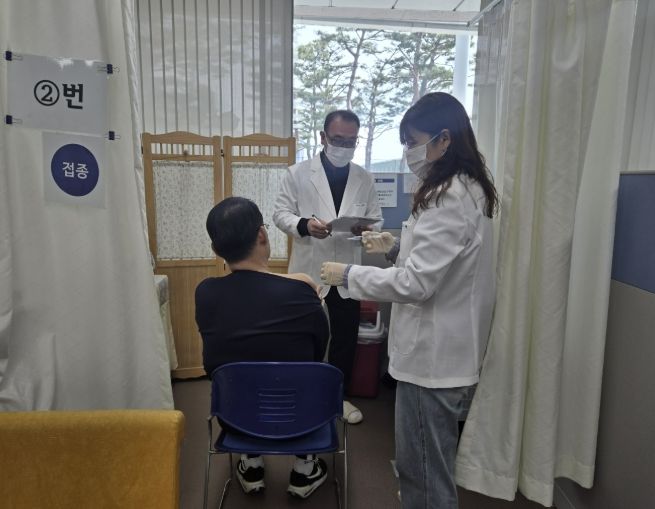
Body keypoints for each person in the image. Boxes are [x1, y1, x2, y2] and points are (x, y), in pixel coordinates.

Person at [320, 92, 498, 509]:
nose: (408, 152)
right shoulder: (465, 187)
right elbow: (441, 262)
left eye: (413, 142)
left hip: (432, 358)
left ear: (444, 139)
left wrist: (348, 275)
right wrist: (395, 248)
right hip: (444, 351)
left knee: (423, 472)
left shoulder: (449, 195)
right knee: (426, 464)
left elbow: (418, 283)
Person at [195, 197, 330, 499]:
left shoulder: (205, 294)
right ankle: (304, 470)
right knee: (308, 375)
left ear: (216, 249)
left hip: (236, 416)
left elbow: (214, 359)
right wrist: (302, 282)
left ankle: (251, 465)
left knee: (242, 372)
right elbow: (318, 353)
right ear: (262, 235)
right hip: (300, 416)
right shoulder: (302, 291)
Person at [273, 109, 383, 425]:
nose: (343, 147)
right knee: (305, 337)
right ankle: (304, 395)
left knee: (345, 339)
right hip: (309, 269)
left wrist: (367, 230)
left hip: (347, 272)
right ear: (323, 137)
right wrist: (305, 225)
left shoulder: (364, 178)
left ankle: (338, 398)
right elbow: (280, 214)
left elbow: (377, 220)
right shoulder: (297, 173)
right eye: (337, 139)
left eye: (350, 141)